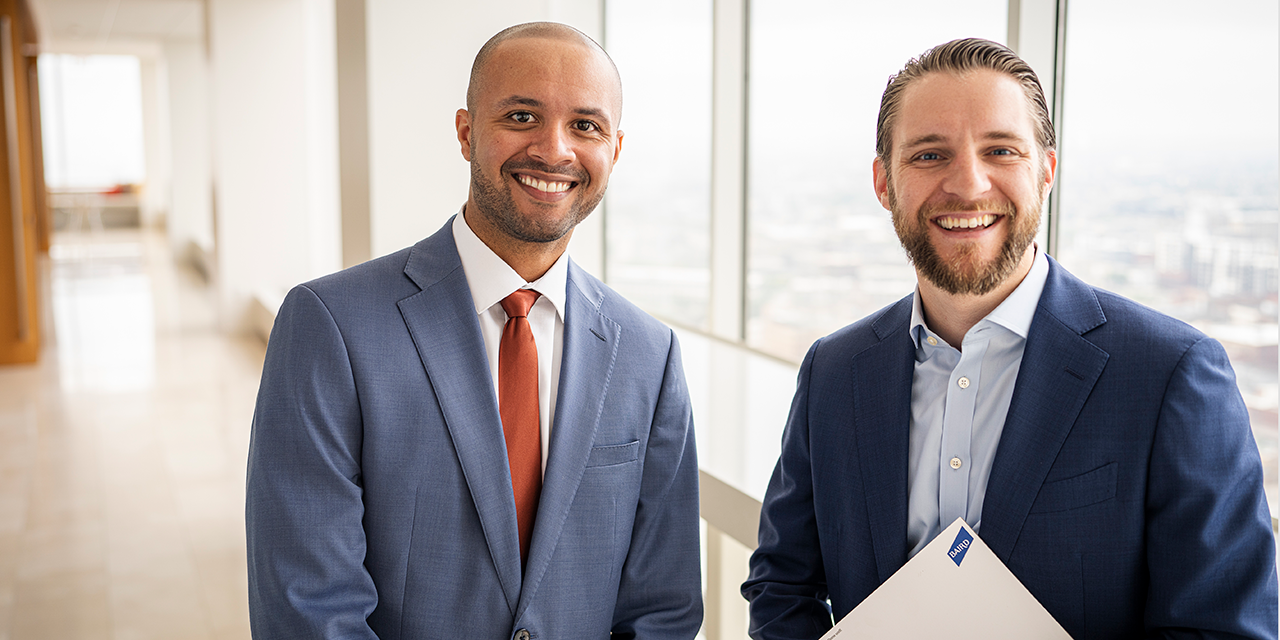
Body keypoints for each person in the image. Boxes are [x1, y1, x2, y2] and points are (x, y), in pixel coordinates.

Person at [742, 38, 1277, 639]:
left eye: (1000, 150)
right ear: (884, 182)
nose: (968, 185)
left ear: (1045, 171)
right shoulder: (834, 372)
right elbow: (781, 585)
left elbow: (1222, 627)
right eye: (929, 155)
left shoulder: (1169, 374)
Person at [246, 22, 702, 639]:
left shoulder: (649, 354)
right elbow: (308, 607)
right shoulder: (329, 326)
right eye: (521, 116)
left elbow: (663, 610)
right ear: (466, 133)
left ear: (614, 150)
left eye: (585, 126)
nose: (554, 150)